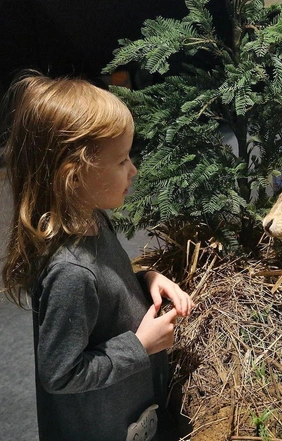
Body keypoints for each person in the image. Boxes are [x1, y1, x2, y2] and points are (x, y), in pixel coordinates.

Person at [1, 72, 194, 441]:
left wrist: (146, 279)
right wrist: (140, 347)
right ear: (74, 177)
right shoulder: (70, 273)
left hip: (126, 406)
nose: (133, 170)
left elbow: (104, 293)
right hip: (100, 424)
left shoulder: (91, 218)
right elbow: (61, 373)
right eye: (121, 161)